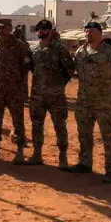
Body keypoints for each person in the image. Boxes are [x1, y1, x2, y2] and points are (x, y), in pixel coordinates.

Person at [70, 20, 111, 184]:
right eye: (86, 31)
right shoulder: (81, 52)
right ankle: (85, 163)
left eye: (91, 31)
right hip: (84, 100)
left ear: (100, 33)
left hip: (104, 102)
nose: (88, 34)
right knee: (84, 133)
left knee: (108, 135)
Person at [28, 19, 74, 169]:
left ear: (49, 31)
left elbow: (69, 69)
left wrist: (58, 85)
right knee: (36, 125)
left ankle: (62, 157)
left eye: (43, 29)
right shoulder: (34, 49)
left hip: (56, 96)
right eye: (38, 29)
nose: (40, 31)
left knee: (60, 126)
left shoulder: (60, 49)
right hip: (37, 95)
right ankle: (37, 154)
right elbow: (32, 68)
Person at [0, 18, 30, 164]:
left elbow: (25, 68)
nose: (1, 30)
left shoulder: (20, 46)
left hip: (14, 90)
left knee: (18, 120)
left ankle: (20, 151)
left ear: (10, 28)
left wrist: (18, 83)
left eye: (3, 27)